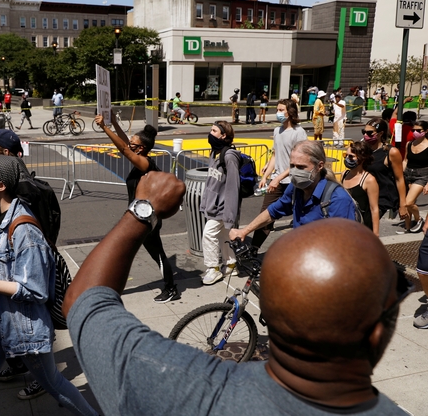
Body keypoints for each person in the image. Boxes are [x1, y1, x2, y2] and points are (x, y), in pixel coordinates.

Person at [61, 171, 409, 415]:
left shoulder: (181, 390)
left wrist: (143, 210)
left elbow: (83, 301)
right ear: (379, 335)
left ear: (269, 314)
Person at [0, 155, 98, 416]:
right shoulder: (3, 217)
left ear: (1, 185)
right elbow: (10, 262)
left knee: (54, 384)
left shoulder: (24, 228)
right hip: (1, 316)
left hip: (23, 323)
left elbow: (34, 289)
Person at [94, 113, 178, 302]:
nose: (129, 143)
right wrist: (114, 121)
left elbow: (124, 148)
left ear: (141, 148)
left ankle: (171, 288)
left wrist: (104, 128)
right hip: (136, 218)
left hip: (147, 221)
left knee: (157, 254)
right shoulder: (139, 158)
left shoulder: (145, 164)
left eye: (133, 142)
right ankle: (111, 286)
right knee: (122, 251)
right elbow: (126, 143)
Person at [230, 140, 358, 242]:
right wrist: (244, 231)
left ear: (319, 166)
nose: (295, 172)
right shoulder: (296, 188)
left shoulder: (338, 199)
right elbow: (273, 211)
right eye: (292, 166)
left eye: (301, 167)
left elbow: (345, 245)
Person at [252, 99, 307, 248]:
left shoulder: (299, 132)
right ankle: (253, 249)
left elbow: (299, 162)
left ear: (290, 112)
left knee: (299, 216)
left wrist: (279, 177)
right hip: (278, 180)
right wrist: (265, 176)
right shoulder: (277, 130)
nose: (278, 113)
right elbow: (275, 156)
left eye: (281, 110)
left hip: (294, 182)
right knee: (265, 215)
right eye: (277, 109)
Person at [200, 121, 240, 285]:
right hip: (216, 205)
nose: (210, 133)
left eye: (214, 130)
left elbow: (233, 187)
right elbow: (212, 182)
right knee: (223, 235)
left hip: (223, 207)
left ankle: (213, 269)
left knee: (208, 234)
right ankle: (231, 264)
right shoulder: (215, 152)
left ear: (223, 135)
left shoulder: (229, 156)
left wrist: (230, 215)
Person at [363, 118, 408, 222]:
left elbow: (399, 179)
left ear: (380, 133)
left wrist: (403, 205)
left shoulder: (391, 152)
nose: (366, 135)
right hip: (365, 195)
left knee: (368, 227)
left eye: (369, 133)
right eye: (364, 132)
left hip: (382, 198)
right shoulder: (364, 150)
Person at [341, 142, 380, 235]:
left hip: (362, 228)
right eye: (345, 155)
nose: (347, 159)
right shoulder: (344, 174)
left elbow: (374, 209)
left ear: (362, 158)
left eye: (351, 157)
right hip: (346, 225)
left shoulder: (369, 180)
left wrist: (375, 234)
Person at [400, 120, 428, 234]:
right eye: (413, 130)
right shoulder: (409, 144)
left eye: (418, 130)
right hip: (408, 174)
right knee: (407, 205)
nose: (415, 132)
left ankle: (419, 219)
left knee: (408, 202)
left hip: (422, 176)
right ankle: (408, 228)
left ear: (426, 131)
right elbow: (405, 160)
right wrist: (401, 175)